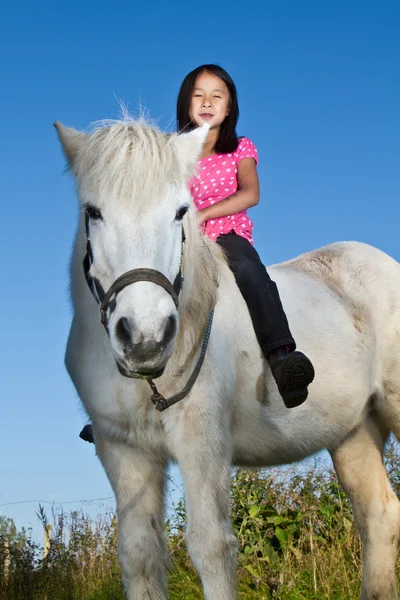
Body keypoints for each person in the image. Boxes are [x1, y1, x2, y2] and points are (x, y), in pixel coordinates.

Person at [176, 64, 315, 408]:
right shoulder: (176, 153)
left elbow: (251, 194)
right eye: (198, 95)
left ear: (229, 106)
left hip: (226, 234)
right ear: (186, 103)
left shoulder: (239, 147)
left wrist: (204, 214)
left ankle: (282, 357)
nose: (207, 102)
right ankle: (121, 393)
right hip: (183, 239)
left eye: (216, 96)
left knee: (251, 272)